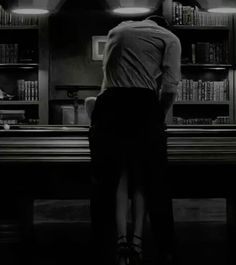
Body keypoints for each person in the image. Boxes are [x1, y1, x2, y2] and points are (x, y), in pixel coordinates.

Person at [86, 10, 181, 265]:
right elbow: (170, 86)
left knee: (105, 181)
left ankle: (104, 248)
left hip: (109, 105)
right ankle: (164, 250)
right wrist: (157, 115)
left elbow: (106, 82)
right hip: (143, 105)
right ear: (164, 24)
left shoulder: (116, 31)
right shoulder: (169, 37)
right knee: (155, 180)